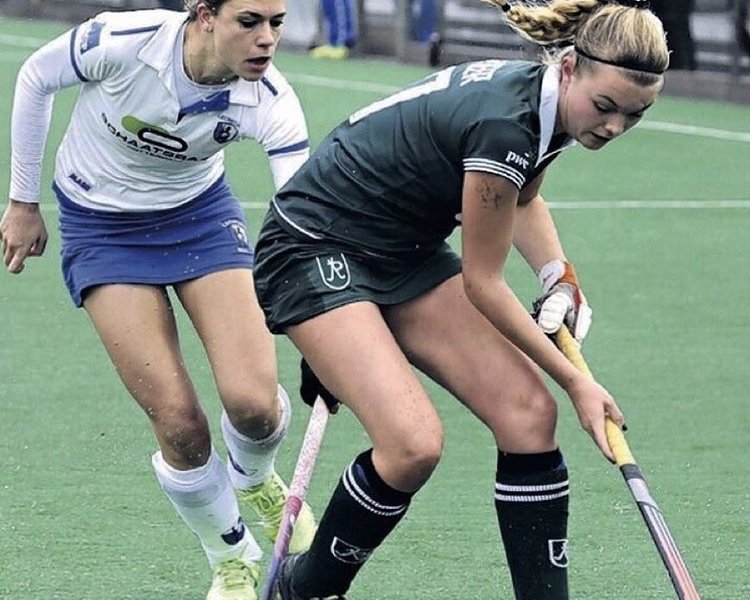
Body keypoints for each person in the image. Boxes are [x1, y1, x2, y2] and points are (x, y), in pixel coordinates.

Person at [252, 0, 669, 598]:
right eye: (605, 108)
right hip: (313, 246)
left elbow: (523, 197)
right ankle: (305, 589)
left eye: (635, 115)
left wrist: (559, 276)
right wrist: (577, 382)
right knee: (413, 445)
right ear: (569, 67)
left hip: (405, 249)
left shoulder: (550, 104)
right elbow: (484, 284)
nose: (613, 127)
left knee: (528, 415)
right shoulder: (506, 123)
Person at [0, 2, 316, 599]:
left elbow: (301, 213)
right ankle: (232, 556)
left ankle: (255, 479)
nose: (267, 39)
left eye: (277, 23)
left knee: (254, 406)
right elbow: (36, 76)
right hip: (103, 228)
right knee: (179, 423)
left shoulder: (270, 101)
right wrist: (23, 200)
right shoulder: (126, 40)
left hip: (201, 220)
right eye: (249, 21)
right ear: (204, 15)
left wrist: (326, 322)